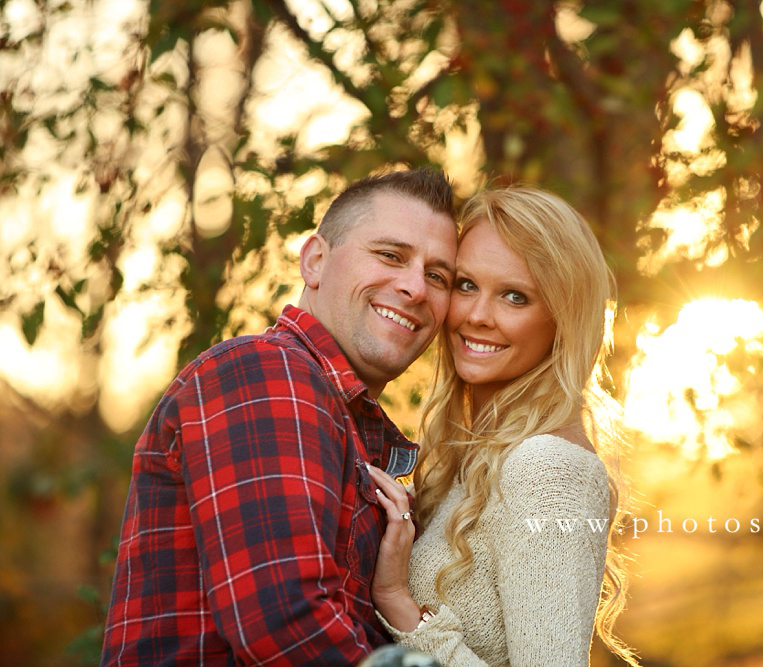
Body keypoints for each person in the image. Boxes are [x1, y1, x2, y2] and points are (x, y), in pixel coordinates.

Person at [100, 167, 457, 666]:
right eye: (390, 255)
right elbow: (287, 622)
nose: (416, 288)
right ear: (315, 261)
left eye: (437, 276)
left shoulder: (346, 422)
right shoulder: (267, 372)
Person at [365, 186, 637, 666]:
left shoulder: (546, 468)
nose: (476, 316)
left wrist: (400, 603)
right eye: (466, 285)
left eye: (515, 297)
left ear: (562, 319)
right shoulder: (477, 458)